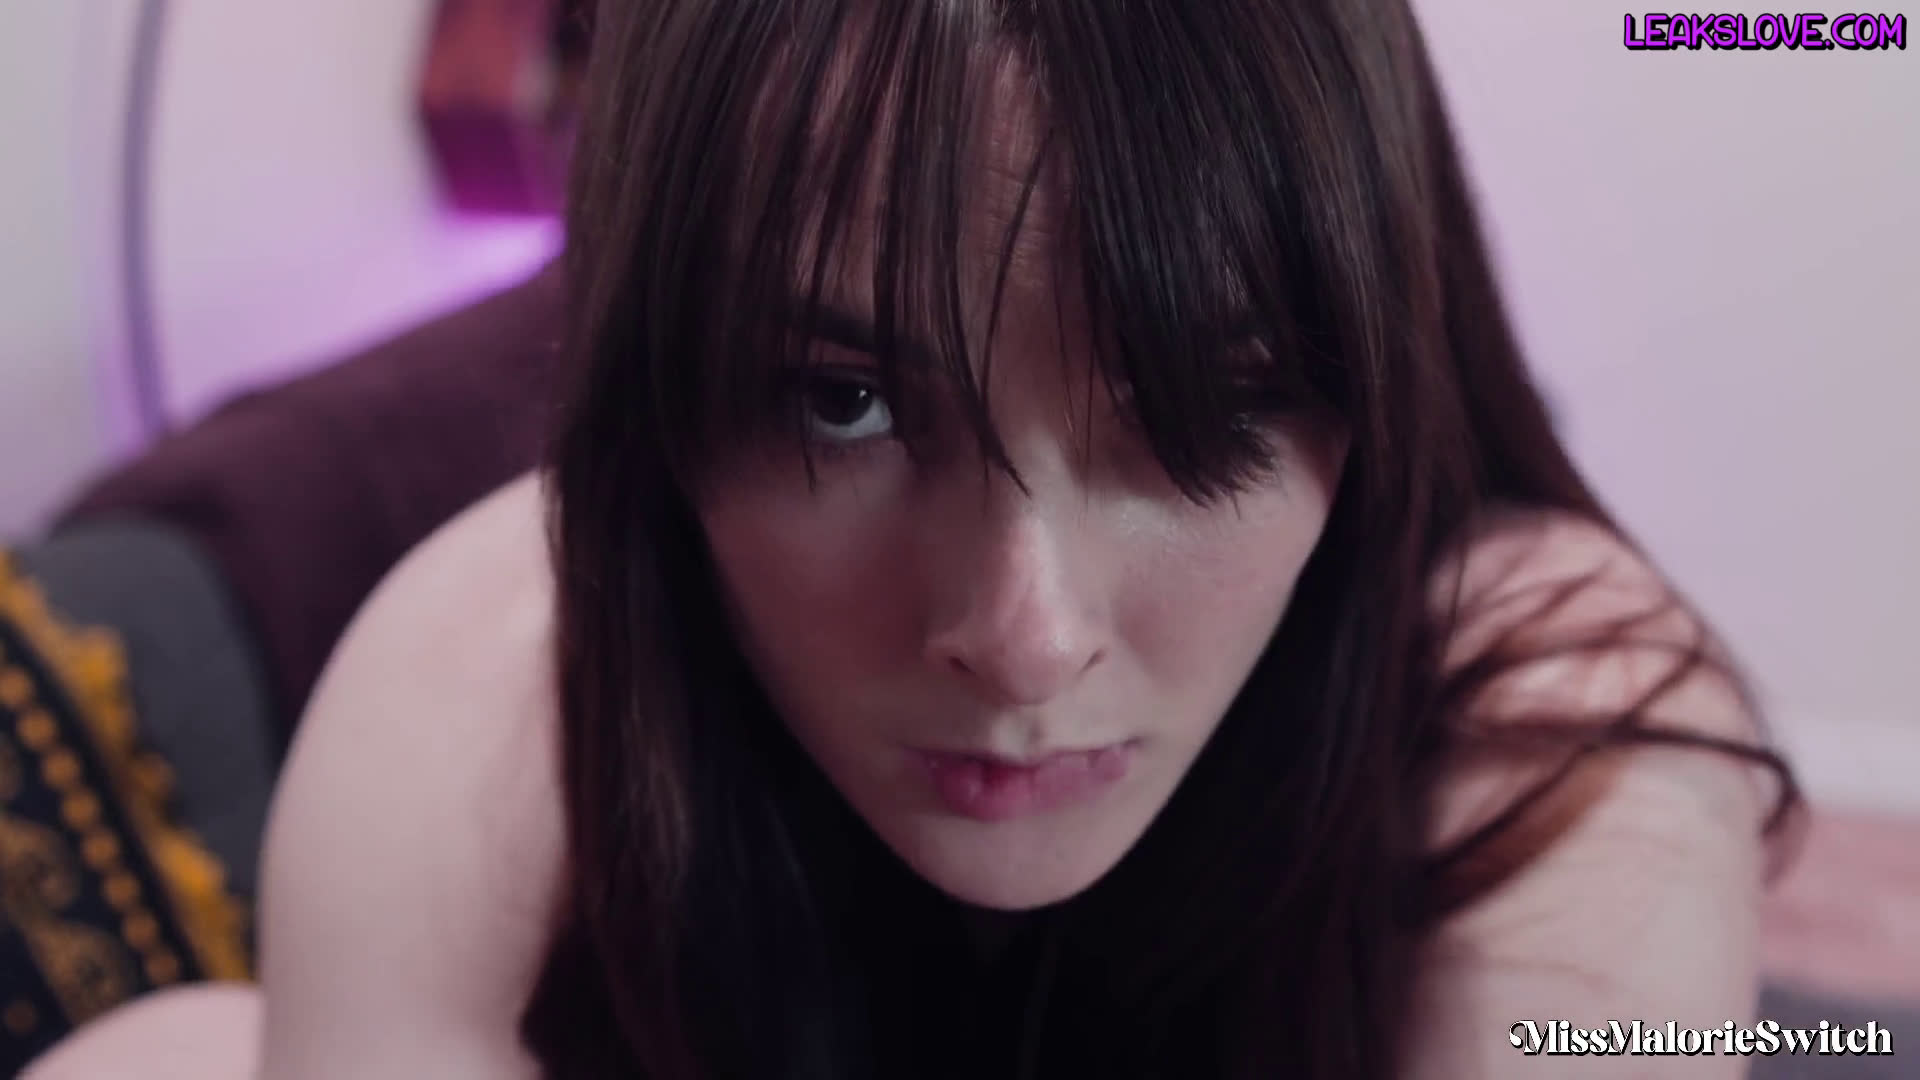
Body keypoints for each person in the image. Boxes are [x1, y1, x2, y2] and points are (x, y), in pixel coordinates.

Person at [26, 1, 1799, 1077]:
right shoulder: (474, 690)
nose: (1025, 635)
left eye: (1203, 410)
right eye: (843, 402)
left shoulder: (1565, 722)